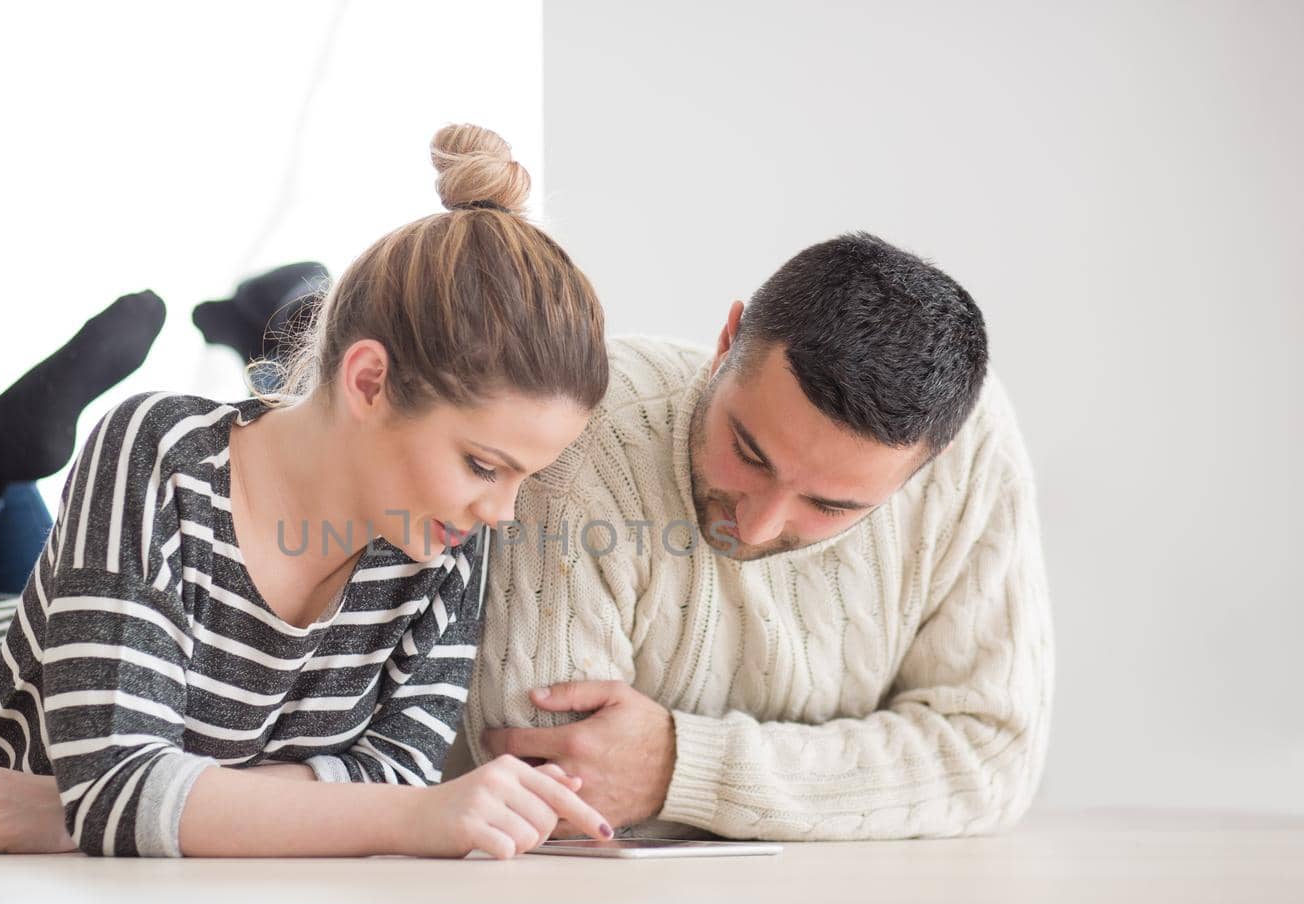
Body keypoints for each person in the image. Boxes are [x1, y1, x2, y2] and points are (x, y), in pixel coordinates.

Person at [0, 123, 616, 860]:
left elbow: (391, 767)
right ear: (368, 381)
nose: (500, 509)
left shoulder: (448, 535)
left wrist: (101, 808)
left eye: (521, 478)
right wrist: (113, 803)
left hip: (77, 636)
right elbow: (132, 789)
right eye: (485, 466)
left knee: (70, 608)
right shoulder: (161, 451)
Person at [452, 232, 1055, 842]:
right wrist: (855, 784)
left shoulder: (972, 455)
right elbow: (553, 788)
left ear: (932, 461)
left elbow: (990, 755)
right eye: (749, 453)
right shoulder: (581, 433)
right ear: (726, 342)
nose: (756, 525)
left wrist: (681, 768)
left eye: (828, 504)